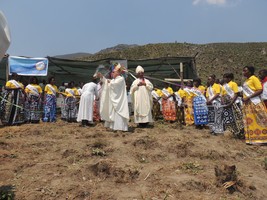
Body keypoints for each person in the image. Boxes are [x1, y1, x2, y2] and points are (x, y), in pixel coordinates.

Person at [98, 63, 129, 132]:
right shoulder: (114, 80)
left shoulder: (120, 79)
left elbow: (113, 84)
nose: (112, 73)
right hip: (114, 99)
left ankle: (120, 127)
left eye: (113, 72)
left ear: (118, 73)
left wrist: (109, 82)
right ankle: (113, 127)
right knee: (113, 112)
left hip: (119, 100)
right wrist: (102, 77)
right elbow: (108, 82)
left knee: (118, 113)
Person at [242, 66, 267, 145]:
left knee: (260, 120)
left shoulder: (254, 78)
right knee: (251, 122)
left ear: (250, 71)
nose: (243, 72)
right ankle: (253, 139)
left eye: (245, 71)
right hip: (248, 104)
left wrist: (248, 97)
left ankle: (263, 139)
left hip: (254, 103)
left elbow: (260, 90)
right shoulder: (246, 80)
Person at [221, 73, 244, 138]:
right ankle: (232, 131)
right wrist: (223, 103)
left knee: (237, 118)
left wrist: (231, 103)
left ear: (230, 78)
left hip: (234, 103)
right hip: (226, 105)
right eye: (224, 77)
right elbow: (222, 96)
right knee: (228, 119)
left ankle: (240, 132)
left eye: (225, 77)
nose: (224, 79)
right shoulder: (223, 86)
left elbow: (236, 94)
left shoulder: (233, 84)